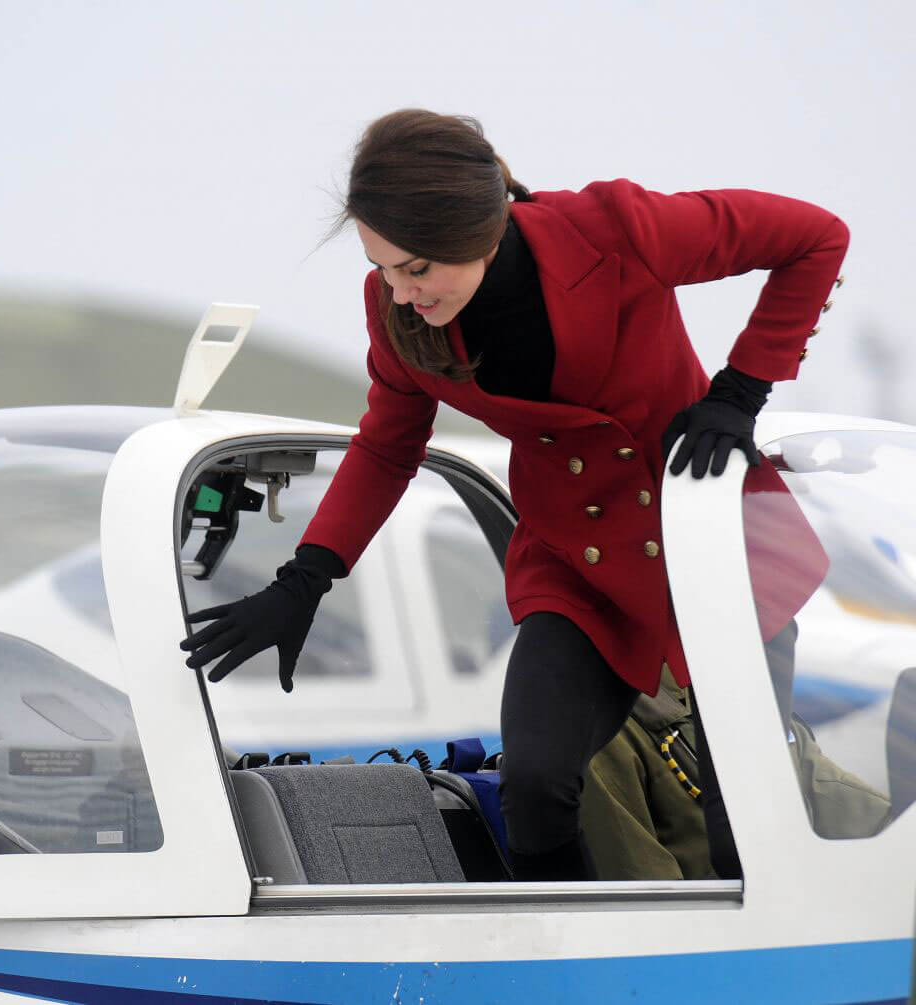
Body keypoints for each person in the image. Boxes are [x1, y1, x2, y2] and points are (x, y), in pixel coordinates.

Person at [180, 109, 849, 881]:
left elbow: (814, 237)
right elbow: (388, 443)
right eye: (382, 268)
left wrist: (738, 393)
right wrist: (307, 576)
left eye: (417, 269)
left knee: (743, 800)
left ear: (481, 228)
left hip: (709, 541)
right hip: (580, 567)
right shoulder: (395, 310)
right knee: (533, 785)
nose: (399, 293)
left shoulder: (616, 228)